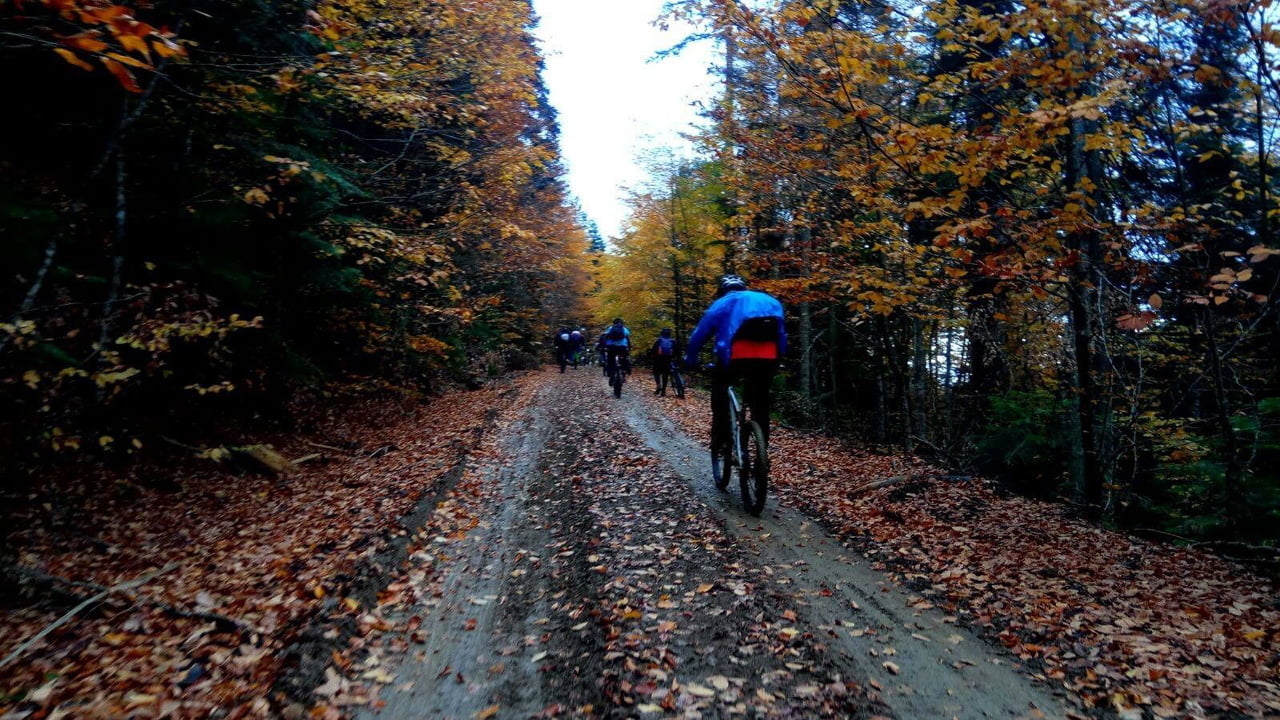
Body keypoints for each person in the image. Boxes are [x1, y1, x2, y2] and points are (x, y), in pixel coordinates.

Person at [684, 274, 786, 449]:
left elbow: (699, 336)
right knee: (760, 404)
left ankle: (722, 439)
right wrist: (780, 358)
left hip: (734, 358)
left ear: (721, 290)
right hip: (768, 359)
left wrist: (690, 359)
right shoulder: (770, 301)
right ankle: (763, 450)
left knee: (720, 394)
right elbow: (781, 334)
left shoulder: (722, 303)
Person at [601, 317, 631, 384]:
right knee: (625, 358)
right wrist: (629, 347)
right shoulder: (624, 329)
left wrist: (604, 346)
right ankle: (624, 371)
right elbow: (628, 338)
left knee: (610, 360)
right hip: (622, 347)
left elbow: (605, 337)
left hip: (612, 347)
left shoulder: (610, 328)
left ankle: (611, 374)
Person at [651, 328, 677, 396]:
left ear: (661, 333)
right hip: (668, 359)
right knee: (665, 374)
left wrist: (653, 358)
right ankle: (663, 391)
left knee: (656, 372)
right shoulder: (673, 341)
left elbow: (653, 351)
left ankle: (658, 385)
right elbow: (676, 352)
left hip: (658, 359)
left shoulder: (658, 340)